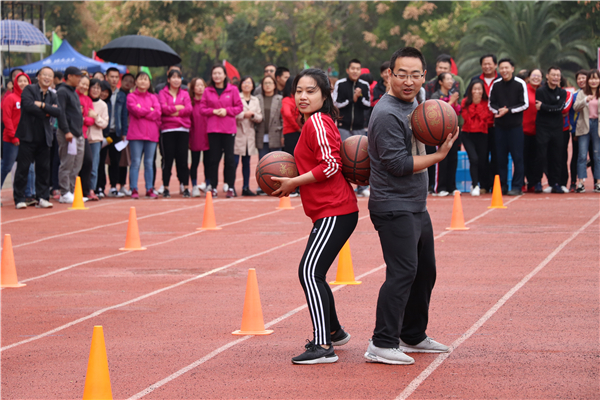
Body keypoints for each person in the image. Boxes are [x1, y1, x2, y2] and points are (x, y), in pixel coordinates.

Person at [365, 47, 453, 365]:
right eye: (401, 74)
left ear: (424, 76)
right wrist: (439, 155)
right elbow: (398, 164)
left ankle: (412, 334)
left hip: (415, 203)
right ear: (389, 75)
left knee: (425, 271)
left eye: (415, 75)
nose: (408, 81)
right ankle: (381, 342)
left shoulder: (416, 103)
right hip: (393, 204)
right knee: (402, 273)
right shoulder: (386, 113)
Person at [269, 68, 358, 365]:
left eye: (310, 91)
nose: (303, 96)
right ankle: (334, 331)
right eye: (298, 91)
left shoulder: (317, 121)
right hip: (332, 211)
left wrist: (293, 182)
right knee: (313, 271)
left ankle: (323, 345)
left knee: (309, 272)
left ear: (325, 94)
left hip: (335, 209)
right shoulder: (314, 122)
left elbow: (331, 165)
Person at [13, 66, 61, 209]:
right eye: (44, 75)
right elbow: (28, 106)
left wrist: (42, 105)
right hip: (27, 136)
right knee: (23, 169)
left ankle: (43, 198)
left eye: (50, 76)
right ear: (38, 76)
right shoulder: (29, 89)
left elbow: (58, 111)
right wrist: (47, 111)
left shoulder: (53, 94)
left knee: (43, 169)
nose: (47, 78)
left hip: (44, 137)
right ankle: (19, 198)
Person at [199, 64, 243, 198]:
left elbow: (239, 107)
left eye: (219, 73)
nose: (217, 76)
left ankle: (230, 186)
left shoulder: (233, 89)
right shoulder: (208, 91)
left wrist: (227, 111)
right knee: (213, 159)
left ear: (225, 75)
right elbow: (202, 109)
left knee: (229, 159)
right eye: (214, 73)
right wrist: (213, 111)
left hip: (228, 129)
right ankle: (213, 186)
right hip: (213, 129)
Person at [488, 58, 528, 196]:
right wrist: (498, 111)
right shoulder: (496, 84)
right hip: (500, 127)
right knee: (500, 159)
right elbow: (491, 103)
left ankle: (517, 186)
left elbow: (525, 104)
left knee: (518, 158)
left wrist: (509, 110)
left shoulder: (520, 83)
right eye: (502, 68)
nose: (504, 70)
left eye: (507, 67)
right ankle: (502, 186)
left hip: (515, 127)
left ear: (512, 68)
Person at [332, 58, 371, 197]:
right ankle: (341, 187)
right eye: (353, 68)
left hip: (359, 126)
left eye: (357, 69)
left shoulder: (364, 85)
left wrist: (358, 98)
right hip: (343, 126)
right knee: (342, 157)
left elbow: (368, 104)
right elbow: (335, 103)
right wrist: (351, 99)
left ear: (360, 71)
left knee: (362, 157)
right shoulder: (340, 84)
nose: (355, 71)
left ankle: (362, 187)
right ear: (348, 70)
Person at [158, 68, 192, 198]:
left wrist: (172, 111)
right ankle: (166, 187)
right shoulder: (163, 93)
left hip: (183, 129)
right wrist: (178, 108)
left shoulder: (185, 93)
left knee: (182, 160)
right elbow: (163, 109)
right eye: (173, 77)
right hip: (168, 130)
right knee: (168, 160)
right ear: (168, 79)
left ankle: (185, 186)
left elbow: (189, 109)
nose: (176, 80)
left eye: (178, 77)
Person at [127, 72, 161, 199]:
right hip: (136, 134)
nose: (143, 81)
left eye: (145, 79)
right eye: (140, 79)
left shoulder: (154, 97)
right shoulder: (131, 96)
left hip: (151, 134)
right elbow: (135, 111)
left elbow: (157, 113)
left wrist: (143, 110)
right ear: (135, 82)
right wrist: (149, 110)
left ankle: (149, 188)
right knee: (135, 162)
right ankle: (134, 188)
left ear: (149, 82)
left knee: (149, 162)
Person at [533, 66, 567, 194]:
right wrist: (549, 108)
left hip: (557, 128)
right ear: (547, 76)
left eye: (558, 75)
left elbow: (559, 109)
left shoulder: (562, 92)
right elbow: (539, 107)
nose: (555, 77)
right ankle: (537, 181)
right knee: (540, 155)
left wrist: (544, 107)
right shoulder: (540, 91)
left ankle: (555, 183)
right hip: (543, 127)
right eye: (553, 75)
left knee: (556, 156)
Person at [470, 54, 499, 191]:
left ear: (495, 65)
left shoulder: (500, 79)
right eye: (484, 64)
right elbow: (468, 99)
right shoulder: (476, 80)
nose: (487, 66)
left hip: (497, 125)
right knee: (482, 157)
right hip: (480, 126)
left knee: (496, 155)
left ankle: (496, 184)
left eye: (490, 64)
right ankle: (484, 185)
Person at [56, 66, 84, 204]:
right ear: (69, 76)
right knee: (67, 163)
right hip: (68, 133)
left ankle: (73, 192)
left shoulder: (74, 92)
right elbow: (60, 113)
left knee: (76, 165)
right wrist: (67, 130)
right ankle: (64, 192)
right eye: (77, 76)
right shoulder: (62, 91)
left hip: (78, 133)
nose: (80, 79)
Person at [460, 80, 493, 196]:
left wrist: (478, 104)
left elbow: (485, 117)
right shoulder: (465, 101)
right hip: (467, 134)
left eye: (479, 89)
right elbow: (466, 117)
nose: (477, 91)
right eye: (474, 89)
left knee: (482, 161)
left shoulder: (487, 103)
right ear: (470, 90)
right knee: (473, 159)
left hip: (482, 134)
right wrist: (474, 104)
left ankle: (483, 184)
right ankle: (475, 185)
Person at [431, 72, 461, 196]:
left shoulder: (451, 94)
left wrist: (455, 102)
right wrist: (452, 101)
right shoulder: (435, 96)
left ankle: (451, 187)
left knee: (453, 159)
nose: (450, 81)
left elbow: (457, 112)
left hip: (452, 131)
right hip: (440, 133)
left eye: (451, 79)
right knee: (441, 160)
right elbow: (439, 112)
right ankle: (440, 187)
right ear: (440, 82)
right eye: (447, 79)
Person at [233, 76, 263, 196]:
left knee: (247, 162)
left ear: (253, 86)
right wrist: (243, 114)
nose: (246, 84)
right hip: (237, 132)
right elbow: (233, 113)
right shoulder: (237, 97)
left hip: (250, 134)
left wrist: (253, 115)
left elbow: (260, 117)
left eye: (249, 83)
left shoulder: (255, 100)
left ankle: (246, 187)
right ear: (241, 84)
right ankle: (231, 186)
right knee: (234, 162)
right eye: (244, 82)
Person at [1, 72, 31, 189]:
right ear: (15, 83)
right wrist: (13, 136)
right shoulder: (10, 98)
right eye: (20, 81)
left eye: (25, 81)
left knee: (26, 167)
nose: (23, 83)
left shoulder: (30, 99)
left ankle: (26, 193)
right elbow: (6, 118)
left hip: (26, 139)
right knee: (7, 167)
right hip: (11, 139)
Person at [255, 75, 283, 195]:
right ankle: (262, 185)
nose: (267, 85)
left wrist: (282, 135)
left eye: (270, 83)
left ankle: (277, 185)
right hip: (261, 134)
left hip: (275, 134)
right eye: (265, 83)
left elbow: (282, 119)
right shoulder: (257, 99)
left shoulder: (279, 99)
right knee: (263, 162)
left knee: (276, 162)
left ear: (274, 85)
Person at [573, 69, 600, 193]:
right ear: (588, 80)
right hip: (584, 125)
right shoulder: (582, 93)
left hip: (597, 126)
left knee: (597, 156)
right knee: (582, 155)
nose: (594, 81)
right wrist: (585, 100)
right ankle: (581, 183)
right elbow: (575, 107)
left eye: (596, 78)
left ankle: (598, 182)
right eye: (591, 78)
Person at [105, 67, 129, 197]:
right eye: (111, 77)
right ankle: (99, 187)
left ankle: (113, 187)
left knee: (115, 161)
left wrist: (124, 132)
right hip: (104, 131)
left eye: (116, 77)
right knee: (101, 160)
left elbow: (124, 115)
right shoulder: (103, 93)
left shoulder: (121, 95)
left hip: (117, 132)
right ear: (106, 77)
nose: (114, 79)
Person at [87, 78, 109, 200]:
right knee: (80, 165)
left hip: (96, 139)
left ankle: (91, 189)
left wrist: (95, 117)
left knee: (94, 166)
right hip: (83, 137)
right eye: (93, 87)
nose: (95, 90)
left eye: (98, 88)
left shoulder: (103, 105)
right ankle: (78, 189)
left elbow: (104, 124)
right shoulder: (83, 100)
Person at [75, 75, 97, 200]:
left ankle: (85, 190)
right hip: (71, 134)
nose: (84, 86)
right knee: (72, 163)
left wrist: (83, 119)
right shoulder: (72, 96)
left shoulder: (88, 99)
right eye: (82, 83)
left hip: (83, 135)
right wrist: (83, 118)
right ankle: (69, 190)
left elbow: (91, 119)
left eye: (87, 85)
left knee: (88, 161)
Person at [188, 77, 210, 197]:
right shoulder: (190, 103)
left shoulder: (208, 103)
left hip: (208, 136)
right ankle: (194, 185)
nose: (200, 88)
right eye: (197, 85)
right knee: (195, 162)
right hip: (195, 136)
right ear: (193, 88)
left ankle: (208, 184)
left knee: (208, 162)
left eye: (202, 85)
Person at [569, 70, 590, 192]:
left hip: (593, 130)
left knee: (595, 155)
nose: (581, 80)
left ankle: (596, 182)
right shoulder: (575, 96)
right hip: (579, 131)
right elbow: (572, 115)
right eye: (579, 78)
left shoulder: (596, 94)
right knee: (577, 155)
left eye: (584, 78)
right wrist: (574, 131)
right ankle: (573, 182)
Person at [522, 69, 542, 192]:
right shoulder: (523, 90)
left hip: (539, 130)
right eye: (533, 75)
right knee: (523, 157)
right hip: (524, 129)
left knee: (536, 158)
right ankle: (521, 181)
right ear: (528, 78)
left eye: (539, 76)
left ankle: (534, 182)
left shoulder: (543, 91)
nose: (536, 78)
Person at [95, 81, 113, 197]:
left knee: (102, 162)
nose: (104, 94)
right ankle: (94, 187)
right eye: (102, 91)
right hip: (94, 136)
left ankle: (101, 186)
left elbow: (107, 122)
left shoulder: (107, 104)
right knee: (94, 163)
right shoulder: (92, 102)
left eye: (106, 92)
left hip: (105, 137)